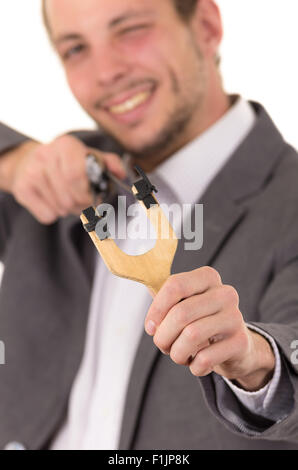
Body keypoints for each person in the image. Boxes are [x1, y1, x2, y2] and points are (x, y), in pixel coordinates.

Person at [0, 0, 298, 450]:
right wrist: (11, 162)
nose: (106, 72)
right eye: (76, 47)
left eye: (130, 29)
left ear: (206, 26)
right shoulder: (55, 176)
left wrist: (255, 360)